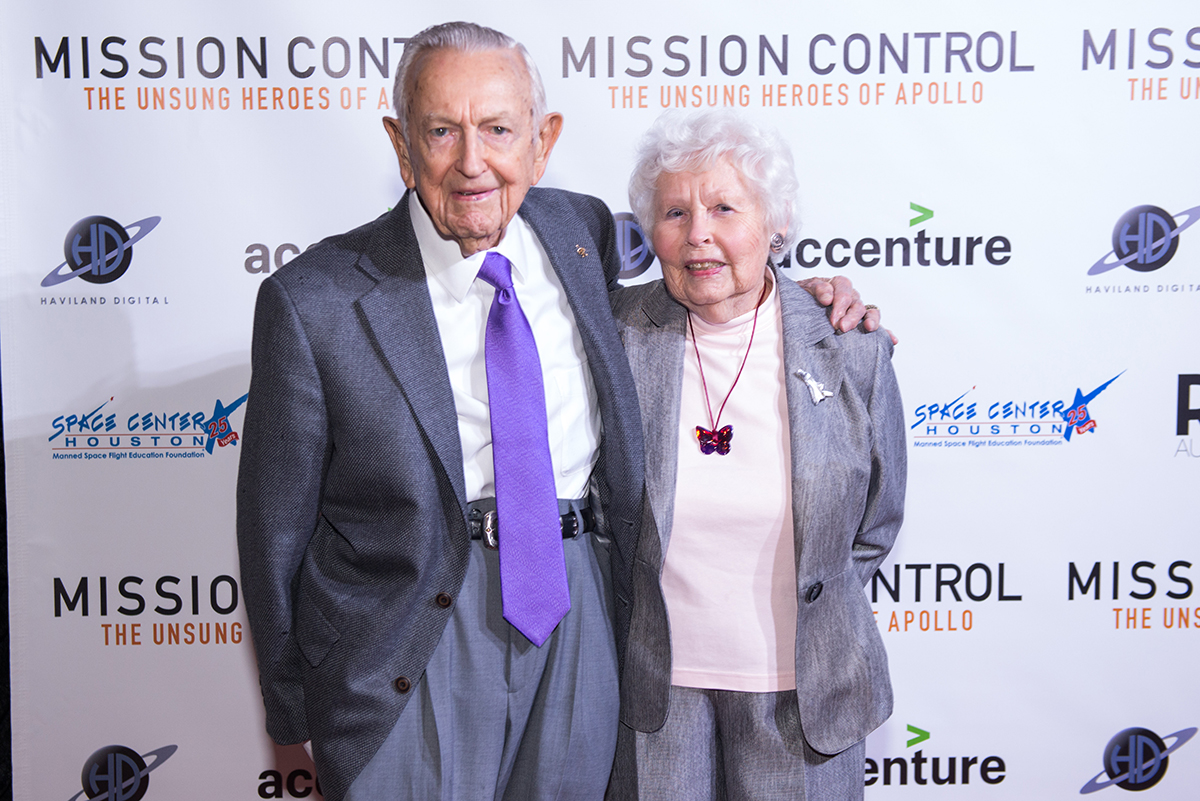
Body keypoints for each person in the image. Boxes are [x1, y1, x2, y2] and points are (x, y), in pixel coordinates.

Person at [237, 22, 876, 801]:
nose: (473, 162)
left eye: (498, 130)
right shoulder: (314, 300)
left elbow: (706, 287)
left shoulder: (580, 231)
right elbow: (273, 528)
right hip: (411, 630)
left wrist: (809, 303)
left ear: (542, 143)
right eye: (441, 131)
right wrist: (293, 703)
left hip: (580, 610)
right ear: (402, 147)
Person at [607, 110, 906, 801]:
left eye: (724, 208)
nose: (698, 233)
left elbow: (876, 521)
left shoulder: (851, 349)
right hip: (653, 697)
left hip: (807, 697)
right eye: (675, 212)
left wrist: (818, 599)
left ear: (776, 224)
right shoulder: (613, 336)